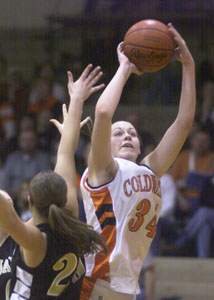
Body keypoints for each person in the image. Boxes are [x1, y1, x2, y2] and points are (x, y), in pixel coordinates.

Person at [80, 23, 196, 300]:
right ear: (104, 143)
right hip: (94, 282)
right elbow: (105, 111)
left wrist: (188, 67)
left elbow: (183, 124)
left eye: (132, 132)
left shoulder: (150, 170)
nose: (127, 135)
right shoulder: (103, 169)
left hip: (127, 287)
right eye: (118, 133)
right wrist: (126, 68)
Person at [0, 64, 107, 299]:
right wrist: (77, 100)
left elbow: (5, 212)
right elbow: (65, 154)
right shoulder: (68, 218)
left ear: (28, 200)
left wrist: (77, 100)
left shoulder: (36, 241)